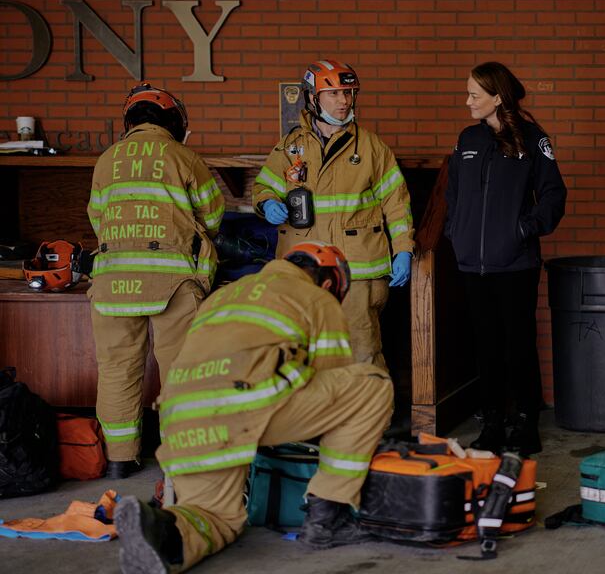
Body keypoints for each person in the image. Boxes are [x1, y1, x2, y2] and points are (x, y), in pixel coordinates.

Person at [114, 242, 394, 573]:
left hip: (180, 415)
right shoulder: (317, 298)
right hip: (246, 406)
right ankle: (328, 517)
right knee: (371, 385)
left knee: (216, 516)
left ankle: (163, 532)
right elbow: (333, 383)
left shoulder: (222, 297)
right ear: (331, 283)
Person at [87, 83, 224, 479]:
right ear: (174, 122)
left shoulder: (106, 160)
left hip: (112, 284)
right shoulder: (184, 156)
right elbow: (213, 218)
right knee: (181, 371)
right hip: (174, 284)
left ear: (129, 121)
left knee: (115, 370)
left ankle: (119, 460)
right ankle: (179, 459)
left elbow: (97, 219)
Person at [252, 59, 414, 372]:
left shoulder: (371, 147)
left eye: (349, 93)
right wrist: (268, 204)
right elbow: (263, 189)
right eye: (334, 94)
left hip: (359, 269)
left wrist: (404, 249)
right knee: (305, 350)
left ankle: (368, 420)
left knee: (362, 350)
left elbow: (396, 202)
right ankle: (317, 420)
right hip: (304, 268)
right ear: (312, 98)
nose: (344, 101)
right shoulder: (290, 147)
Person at [444, 62, 567, 456]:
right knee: (485, 346)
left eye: (474, 95)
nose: (467, 102)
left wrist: (522, 229)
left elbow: (553, 196)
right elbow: (453, 196)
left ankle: (527, 421)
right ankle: (493, 421)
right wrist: (455, 231)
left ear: (498, 98)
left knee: (518, 345)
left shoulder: (533, 139)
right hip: (472, 265)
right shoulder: (466, 139)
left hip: (515, 264)